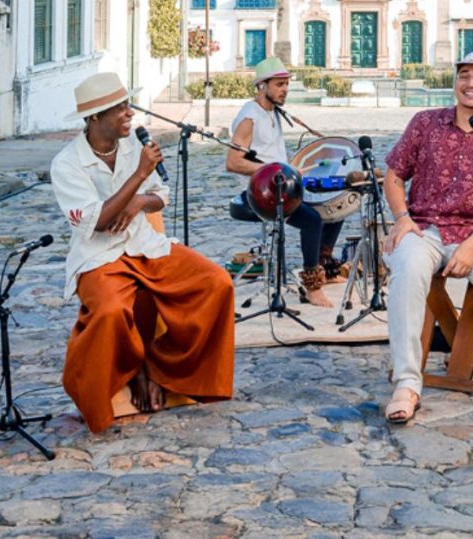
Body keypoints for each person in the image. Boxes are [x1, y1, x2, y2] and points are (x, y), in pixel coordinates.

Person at [51, 72, 235, 434]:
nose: (128, 113)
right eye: (118, 108)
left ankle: (164, 369)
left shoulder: (133, 144)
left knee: (216, 283)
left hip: (145, 247)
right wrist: (137, 178)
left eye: (127, 104)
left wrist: (139, 201)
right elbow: (100, 222)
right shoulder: (67, 164)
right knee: (110, 310)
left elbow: (159, 196)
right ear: (94, 119)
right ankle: (123, 376)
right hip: (99, 257)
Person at [380, 51, 473, 424]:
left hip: (472, 233)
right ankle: (406, 382)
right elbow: (394, 175)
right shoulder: (424, 123)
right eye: (464, 75)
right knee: (408, 273)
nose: (471, 83)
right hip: (423, 229)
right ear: (455, 83)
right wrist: (401, 218)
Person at [226, 57, 345, 307]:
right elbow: (234, 162)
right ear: (262, 86)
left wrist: (290, 169)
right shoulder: (250, 117)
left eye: (287, 84)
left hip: (282, 186)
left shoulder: (274, 113)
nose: (285, 90)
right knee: (312, 220)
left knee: (336, 203)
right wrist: (274, 172)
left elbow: (271, 153)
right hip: (260, 194)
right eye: (279, 84)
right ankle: (312, 286)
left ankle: (324, 266)